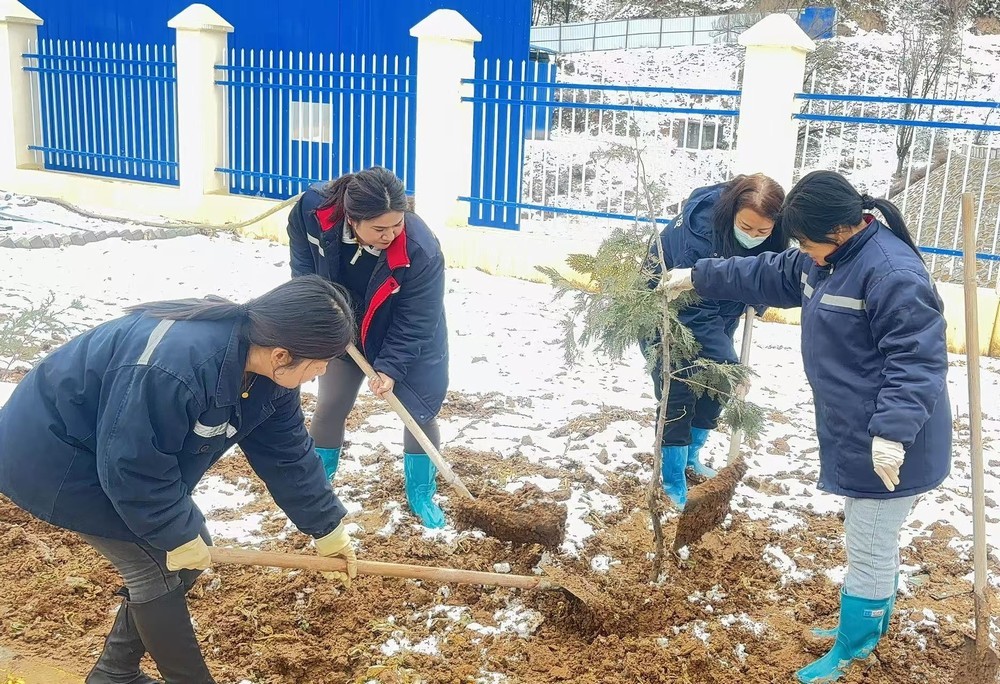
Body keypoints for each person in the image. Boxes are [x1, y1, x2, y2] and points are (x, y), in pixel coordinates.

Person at [662, 170, 951, 683]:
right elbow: (768, 272)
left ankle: (855, 648)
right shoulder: (835, 257)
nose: (800, 249)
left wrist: (892, 435)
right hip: (861, 430)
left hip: (895, 441)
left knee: (869, 543)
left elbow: (917, 363)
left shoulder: (890, 274)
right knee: (872, 539)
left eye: (803, 240)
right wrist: (698, 275)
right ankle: (866, 624)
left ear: (838, 231)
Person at [0, 276, 361, 684]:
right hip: (53, 454)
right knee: (156, 567)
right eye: (322, 361)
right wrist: (171, 532)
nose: (323, 372)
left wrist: (327, 528)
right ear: (281, 353)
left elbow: (288, 453)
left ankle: (114, 675)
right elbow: (132, 465)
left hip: (115, 453)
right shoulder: (175, 367)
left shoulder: (267, 374)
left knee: (186, 555)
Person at [287, 166, 449, 528]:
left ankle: (421, 491)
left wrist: (390, 367)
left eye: (397, 224)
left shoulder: (420, 250)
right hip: (343, 325)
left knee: (418, 411)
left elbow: (418, 320)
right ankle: (317, 488)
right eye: (379, 229)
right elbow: (303, 265)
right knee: (331, 404)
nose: (391, 235)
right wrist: (321, 311)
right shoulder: (312, 211)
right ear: (352, 219)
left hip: (405, 334)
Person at [646, 173, 788, 509]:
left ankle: (691, 458)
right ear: (731, 213)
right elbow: (692, 312)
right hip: (668, 314)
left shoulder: (775, 231)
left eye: (762, 232)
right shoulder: (699, 237)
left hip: (719, 313)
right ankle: (671, 480)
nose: (753, 236)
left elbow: (767, 269)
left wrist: (760, 297)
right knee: (679, 391)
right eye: (747, 227)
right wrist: (731, 366)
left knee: (715, 387)